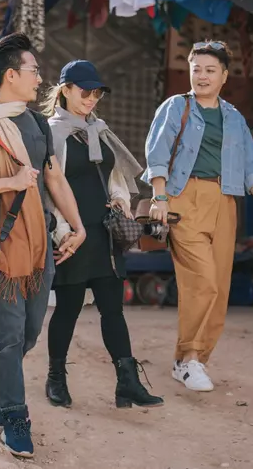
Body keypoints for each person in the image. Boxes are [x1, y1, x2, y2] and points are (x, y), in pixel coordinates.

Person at [0, 33, 86, 458]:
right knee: (8, 337)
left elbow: (53, 178)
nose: (40, 79)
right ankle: (15, 418)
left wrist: (77, 227)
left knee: (27, 334)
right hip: (0, 241)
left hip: (40, 240)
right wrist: (9, 181)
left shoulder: (38, 122)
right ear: (11, 75)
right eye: (34, 71)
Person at [143, 41, 253, 392]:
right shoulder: (176, 107)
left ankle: (195, 360)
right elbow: (156, 153)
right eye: (196, 68)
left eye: (209, 70)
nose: (201, 75)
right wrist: (160, 197)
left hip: (225, 201)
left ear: (224, 76)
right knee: (203, 281)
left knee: (220, 287)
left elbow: (250, 164)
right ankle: (188, 359)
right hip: (184, 199)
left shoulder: (234, 117)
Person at [41, 60, 164, 410]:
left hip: (105, 232)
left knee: (114, 309)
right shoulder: (53, 133)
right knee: (68, 308)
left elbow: (115, 177)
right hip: (72, 235)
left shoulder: (100, 130)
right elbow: (48, 189)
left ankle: (128, 383)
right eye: (85, 91)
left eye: (97, 93)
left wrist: (122, 200)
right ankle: (56, 378)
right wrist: (62, 230)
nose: (92, 99)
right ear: (65, 89)